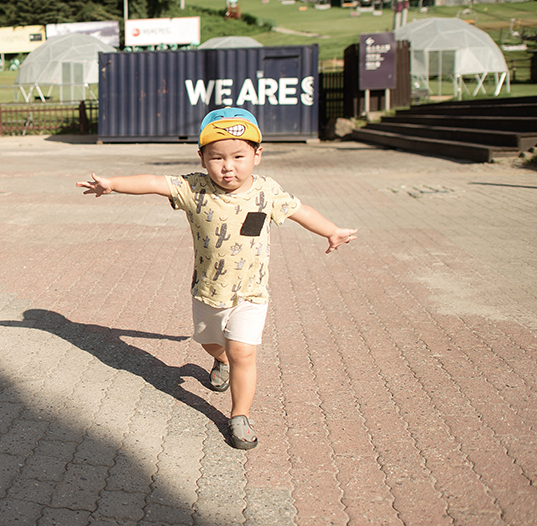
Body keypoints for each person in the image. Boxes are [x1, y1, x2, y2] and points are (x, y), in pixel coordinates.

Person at [76, 107, 357, 450]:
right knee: (211, 343)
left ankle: (240, 415)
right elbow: (153, 182)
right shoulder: (194, 188)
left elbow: (301, 211)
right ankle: (219, 359)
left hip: (251, 294)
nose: (228, 166)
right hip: (208, 291)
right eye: (217, 158)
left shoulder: (267, 191)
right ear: (202, 158)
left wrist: (331, 231)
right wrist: (113, 184)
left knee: (243, 353)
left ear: (257, 155)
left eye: (239, 156)